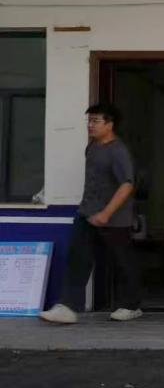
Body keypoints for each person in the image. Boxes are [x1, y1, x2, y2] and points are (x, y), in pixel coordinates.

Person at [40, 104, 142, 324]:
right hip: (87, 214)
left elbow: (127, 184)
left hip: (114, 219)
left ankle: (131, 305)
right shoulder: (92, 147)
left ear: (110, 124)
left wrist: (106, 213)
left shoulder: (118, 151)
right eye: (89, 121)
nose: (90, 125)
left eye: (96, 121)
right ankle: (68, 307)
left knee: (121, 262)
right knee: (77, 259)